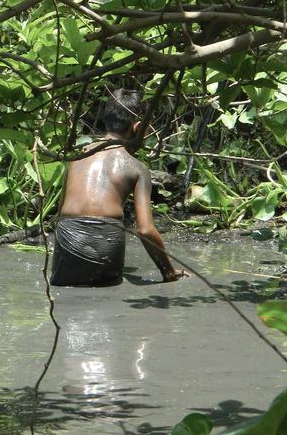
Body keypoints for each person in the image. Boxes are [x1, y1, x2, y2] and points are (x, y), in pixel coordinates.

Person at [50, 88, 189, 286]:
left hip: (67, 239)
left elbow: (60, 215)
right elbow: (145, 230)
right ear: (137, 127)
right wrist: (169, 271)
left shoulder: (77, 157)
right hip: (105, 242)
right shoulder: (137, 167)